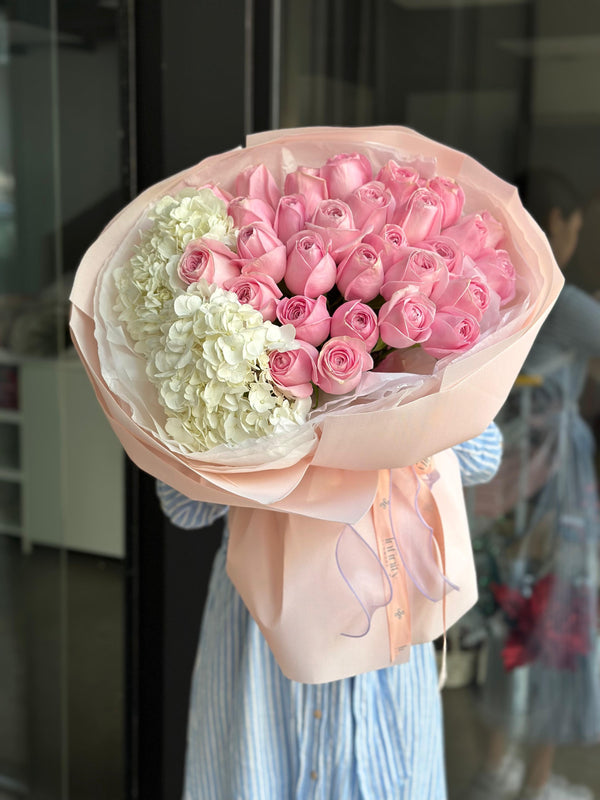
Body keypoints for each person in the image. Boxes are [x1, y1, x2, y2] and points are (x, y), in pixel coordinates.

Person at [157, 423, 503, 800]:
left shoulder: (410, 369)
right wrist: (259, 434)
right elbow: (182, 507)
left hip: (385, 624)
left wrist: (401, 407)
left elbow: (485, 457)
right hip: (262, 638)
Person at [469, 170, 600, 800]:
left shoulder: (494, 292)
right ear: (557, 218)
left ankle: (496, 770)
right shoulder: (565, 302)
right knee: (554, 619)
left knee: (504, 612)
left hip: (499, 474)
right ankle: (535, 784)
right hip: (556, 485)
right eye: (575, 223)